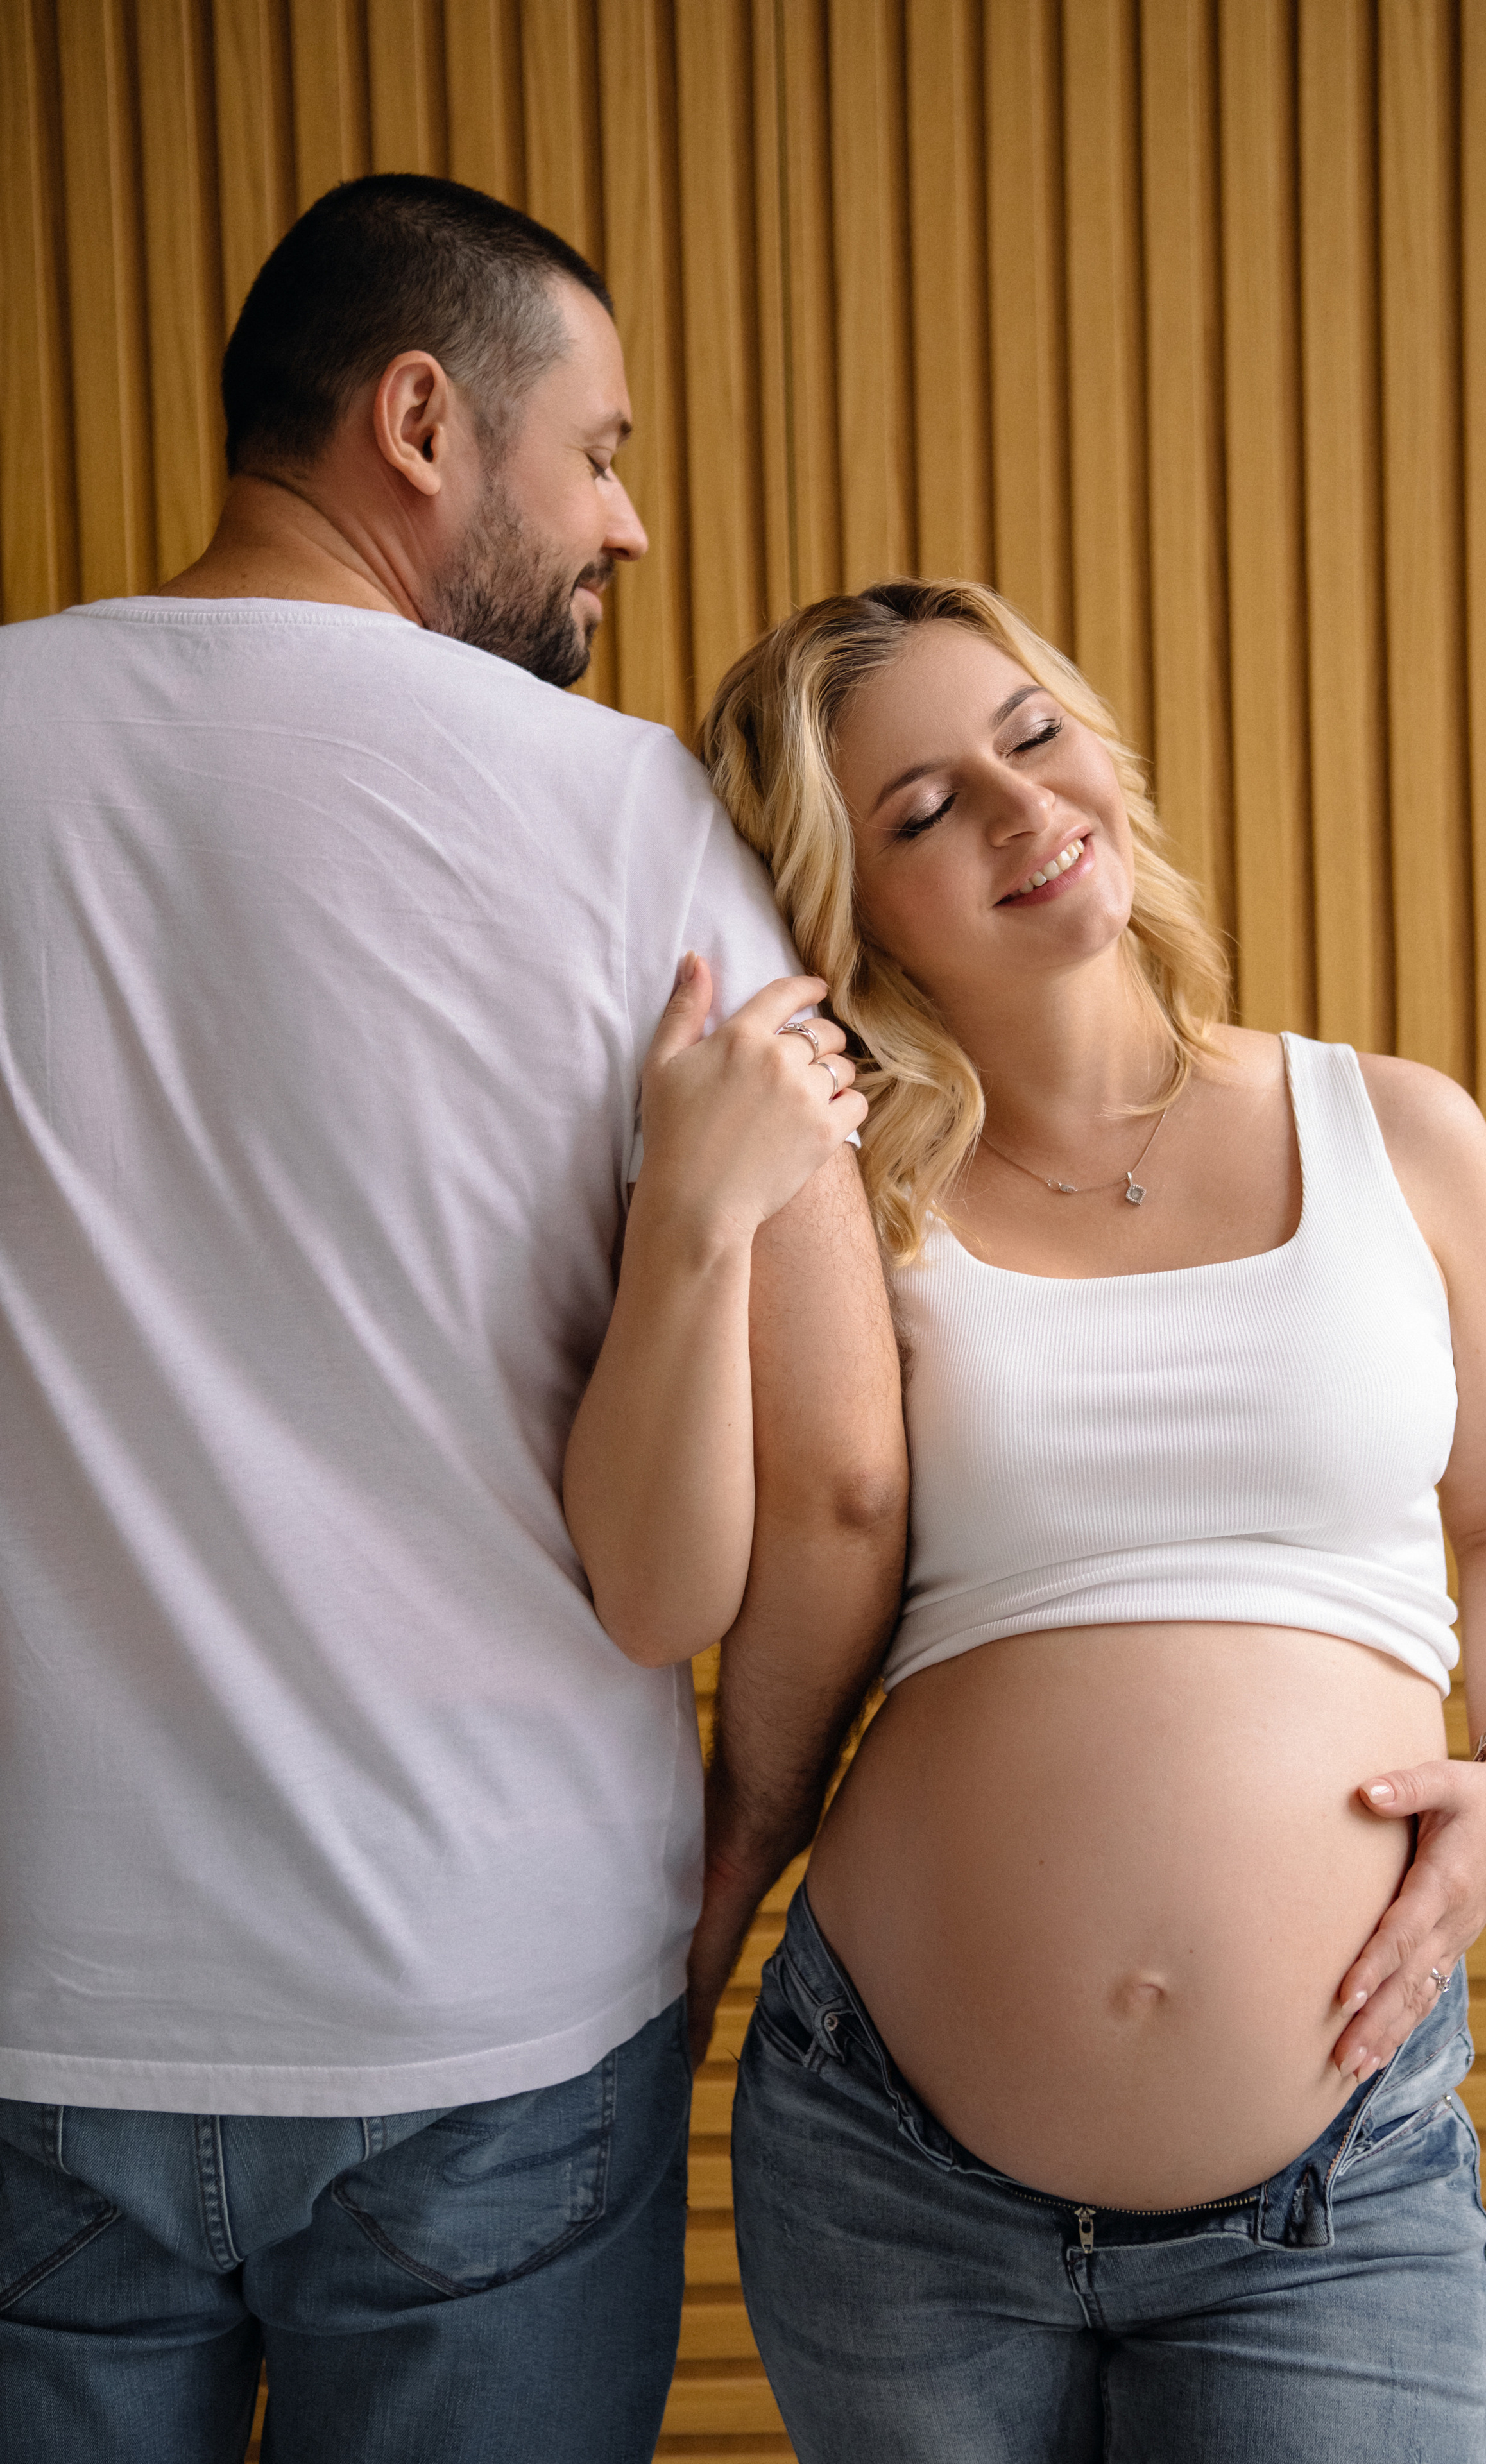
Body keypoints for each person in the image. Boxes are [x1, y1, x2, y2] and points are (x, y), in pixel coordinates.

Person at [0, 175, 904, 2464]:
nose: (622, 523)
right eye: (594, 450)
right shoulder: (622, 822)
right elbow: (843, 1467)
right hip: (490, 1999)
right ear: (422, 417)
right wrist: (731, 1857)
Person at [567, 576, 1486, 2462]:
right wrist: (697, 1216)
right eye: (920, 811)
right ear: (849, 906)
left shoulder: (1399, 1127)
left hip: (1335, 2191)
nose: (1016, 808)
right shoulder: (845, 1196)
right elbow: (677, 1588)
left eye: (1029, 737)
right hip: (896, 2168)